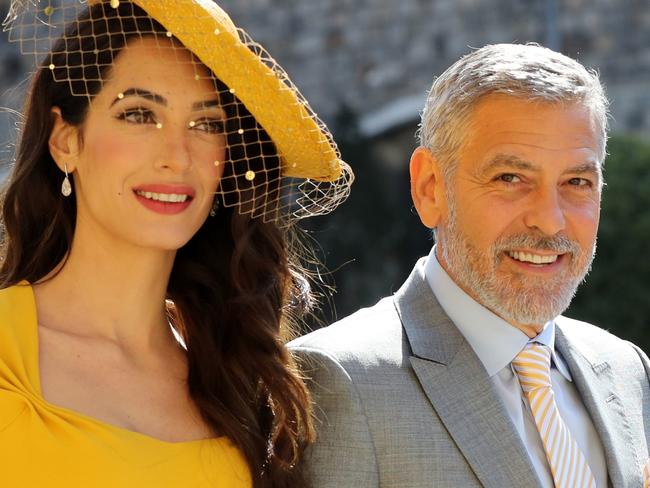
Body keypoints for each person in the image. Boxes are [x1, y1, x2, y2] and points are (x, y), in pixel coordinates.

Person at [0, 1, 352, 487]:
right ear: (65, 141)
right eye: (139, 114)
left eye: (206, 124)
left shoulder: (239, 373)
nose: (177, 156)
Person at [290, 43, 650, 487]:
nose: (550, 219)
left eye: (577, 182)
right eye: (511, 178)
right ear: (429, 188)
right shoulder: (338, 380)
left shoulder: (627, 370)